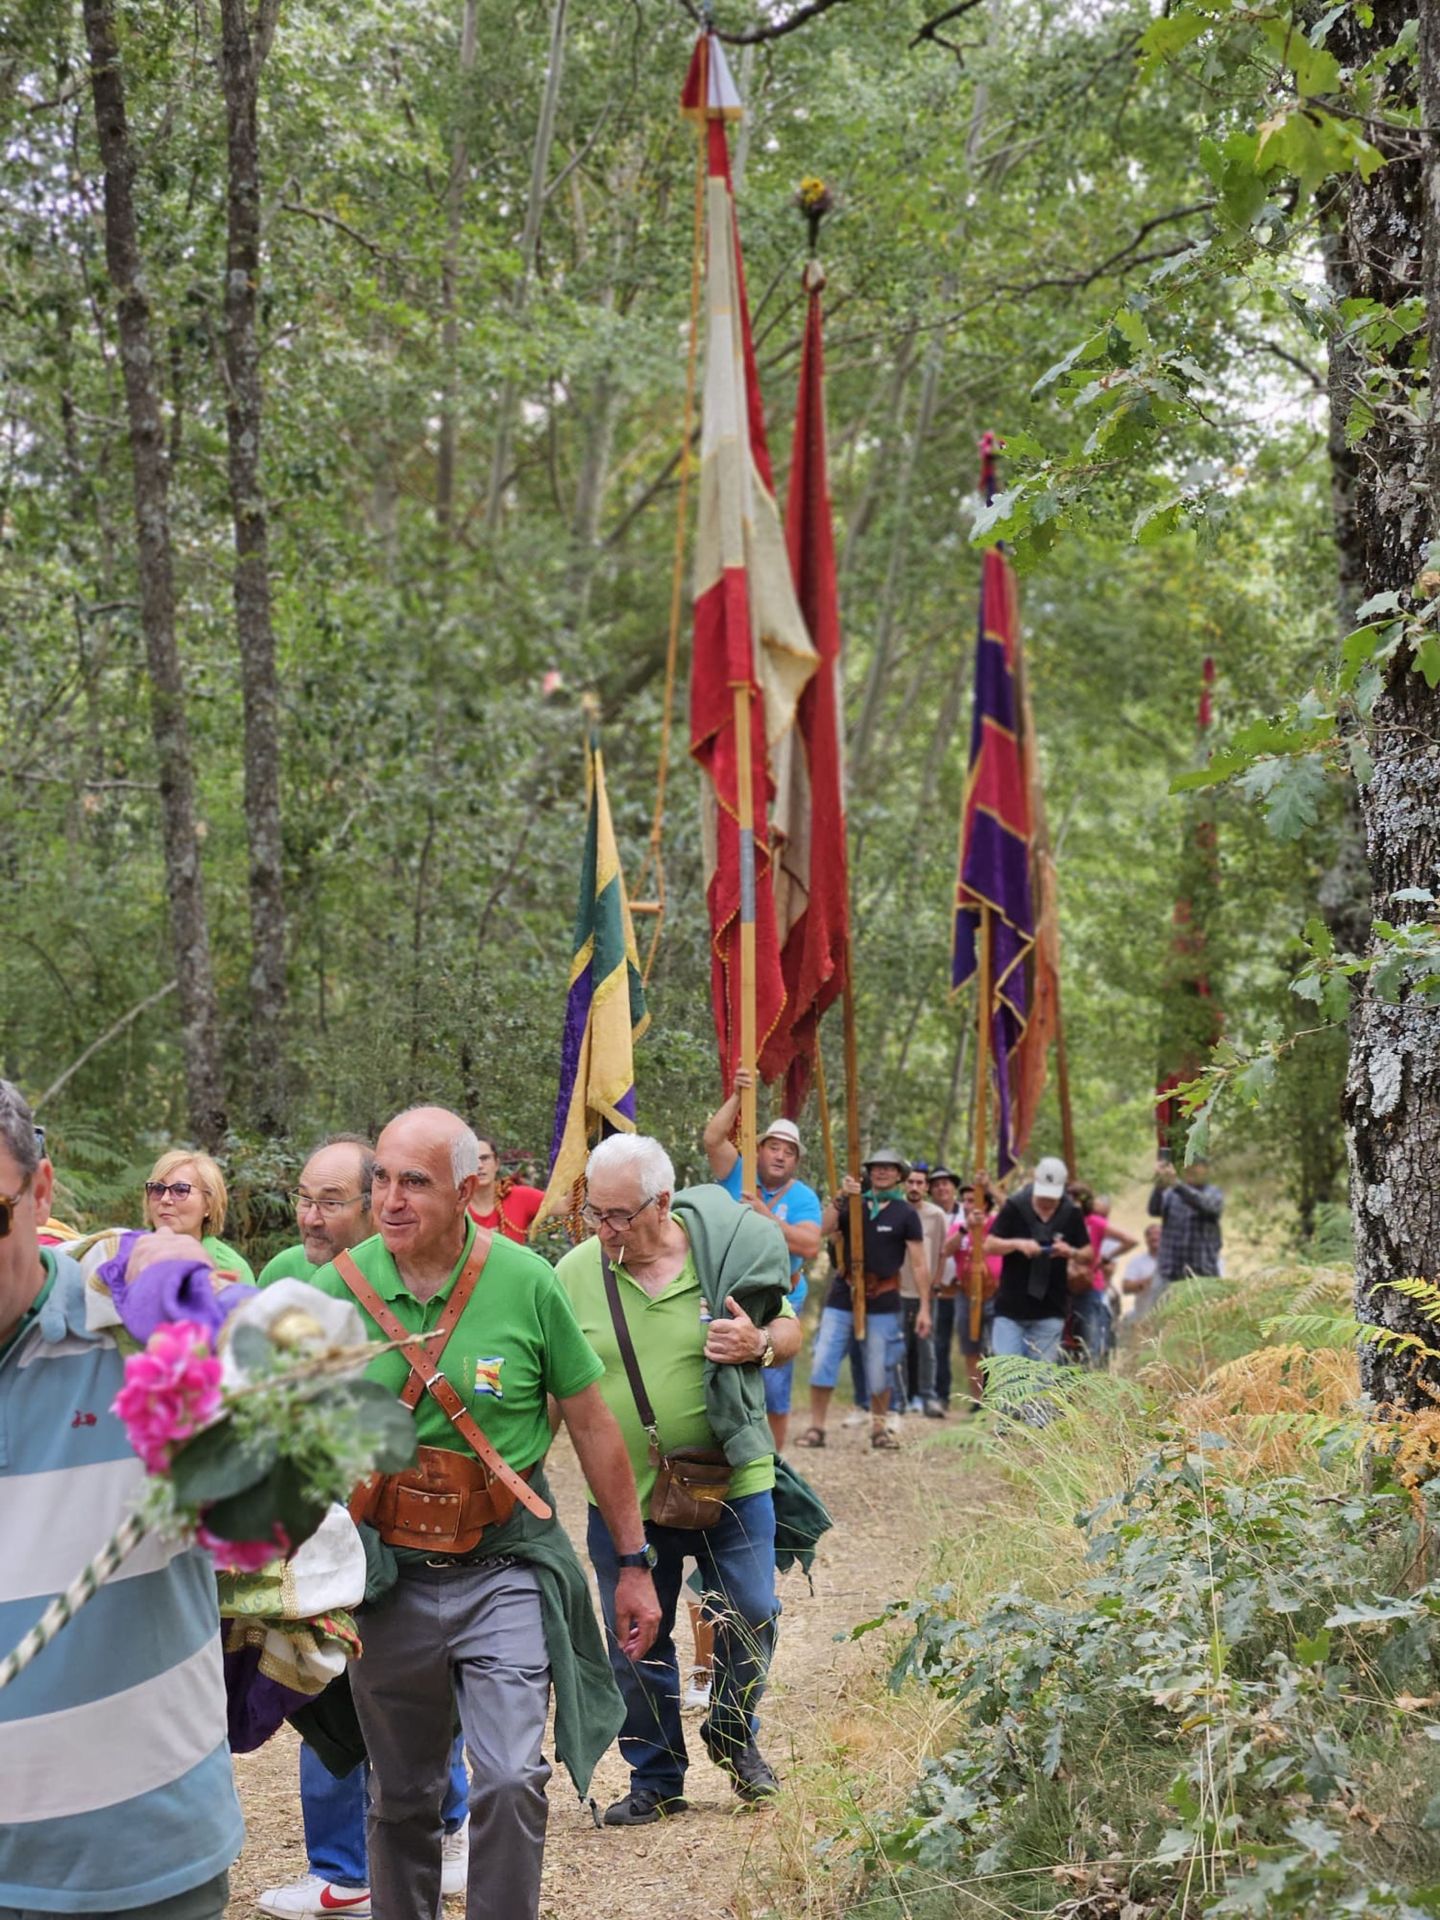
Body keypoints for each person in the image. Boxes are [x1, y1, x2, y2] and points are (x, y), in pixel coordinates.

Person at [305, 1106, 660, 1920]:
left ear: (467, 1191)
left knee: (509, 1777)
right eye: (381, 1180)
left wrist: (633, 1563)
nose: (390, 1200)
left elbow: (593, 1425)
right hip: (385, 1581)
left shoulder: (525, 1281)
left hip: (504, 1568)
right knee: (403, 1796)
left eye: (415, 1183)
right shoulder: (335, 1290)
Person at [0, 1080, 244, 1917]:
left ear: (40, 1192)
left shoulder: (138, 1331)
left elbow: (290, 1464)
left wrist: (195, 1315)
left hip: (138, 1871)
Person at [554, 1133, 801, 1824]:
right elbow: (547, 1382)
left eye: (619, 1215)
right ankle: (657, 1778)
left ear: (663, 1204)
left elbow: (788, 1331)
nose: (605, 1229)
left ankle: (732, 1733)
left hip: (732, 1477)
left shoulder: (723, 1256)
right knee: (636, 1637)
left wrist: (759, 1344)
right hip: (625, 1494)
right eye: (595, 1213)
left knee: (752, 1609)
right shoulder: (572, 1275)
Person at [255, 1136, 471, 1919]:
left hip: (408, 1524)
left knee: (413, 1678)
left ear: (376, 1201)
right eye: (304, 1199)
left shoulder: (422, 1278)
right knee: (321, 1680)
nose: (312, 1217)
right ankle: (347, 1867)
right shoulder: (286, 1275)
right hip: (318, 1520)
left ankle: (436, 1832)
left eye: (331, 1201)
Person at [702, 1071, 823, 1449]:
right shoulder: (738, 1172)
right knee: (717, 1371)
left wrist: (767, 1218)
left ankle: (774, 1461)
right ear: (760, 1149)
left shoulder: (804, 1198)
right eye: (774, 1147)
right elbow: (712, 1139)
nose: (781, 1155)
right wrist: (740, 1094)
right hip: (726, 1292)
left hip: (780, 1297)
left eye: (789, 1151)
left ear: (796, 1161)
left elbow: (810, 1245)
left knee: (772, 1382)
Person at [798, 1150, 930, 1452]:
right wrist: (841, 1196)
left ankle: (879, 1428)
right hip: (843, 1293)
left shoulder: (906, 1213)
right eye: (876, 1167)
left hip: (884, 1298)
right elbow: (821, 1229)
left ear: (899, 1174)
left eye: (889, 1168)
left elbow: (919, 1264)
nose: (882, 1172)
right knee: (823, 1358)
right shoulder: (852, 1204)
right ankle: (817, 1427)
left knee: (881, 1366)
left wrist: (925, 1307)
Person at [984, 1155, 1091, 1364]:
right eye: (1043, 1196)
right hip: (1011, 1309)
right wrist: (1017, 1244)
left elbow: (1088, 1254)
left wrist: (1070, 1251)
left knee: (1041, 1377)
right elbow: (989, 1245)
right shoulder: (1015, 1206)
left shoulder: (1071, 1213)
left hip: (1050, 1309)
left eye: (1052, 1198)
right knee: (1008, 1373)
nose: (1047, 1202)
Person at [143, 1146, 255, 1284]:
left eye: (180, 1190)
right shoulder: (126, 1255)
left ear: (208, 1204)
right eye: (157, 1188)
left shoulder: (232, 1269)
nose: (165, 1199)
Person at [901, 1165, 947, 1417]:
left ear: (926, 1187)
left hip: (925, 1292)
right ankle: (901, 1398)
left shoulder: (936, 1215)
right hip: (898, 1289)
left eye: (920, 1183)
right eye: (910, 1182)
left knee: (926, 1346)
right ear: (904, 1184)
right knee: (900, 1346)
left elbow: (941, 1253)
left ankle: (928, 1397)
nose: (915, 1187)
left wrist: (935, 1284)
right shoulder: (895, 1210)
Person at [1149, 1155, 1224, 1291]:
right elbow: (1154, 1210)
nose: (1191, 1170)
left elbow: (1208, 1205)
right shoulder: (1171, 1193)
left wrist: (1177, 1184)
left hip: (1202, 1275)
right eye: (1188, 1166)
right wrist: (1159, 1185)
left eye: (1196, 1166)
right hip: (1168, 1274)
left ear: (1206, 1170)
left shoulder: (1213, 1193)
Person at [467, 1133, 545, 1244]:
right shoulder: (454, 1208)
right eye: (472, 1160)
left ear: (497, 1164)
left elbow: (566, 1205)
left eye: (485, 1158)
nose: (479, 1165)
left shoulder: (520, 1197)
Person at [1122, 1222, 1164, 1317]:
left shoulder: (1174, 1261)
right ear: (1146, 1239)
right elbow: (1126, 1288)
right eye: (1150, 1234)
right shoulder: (1137, 1262)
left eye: (1158, 1234)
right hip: (1144, 1315)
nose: (1154, 1237)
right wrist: (1151, 1280)